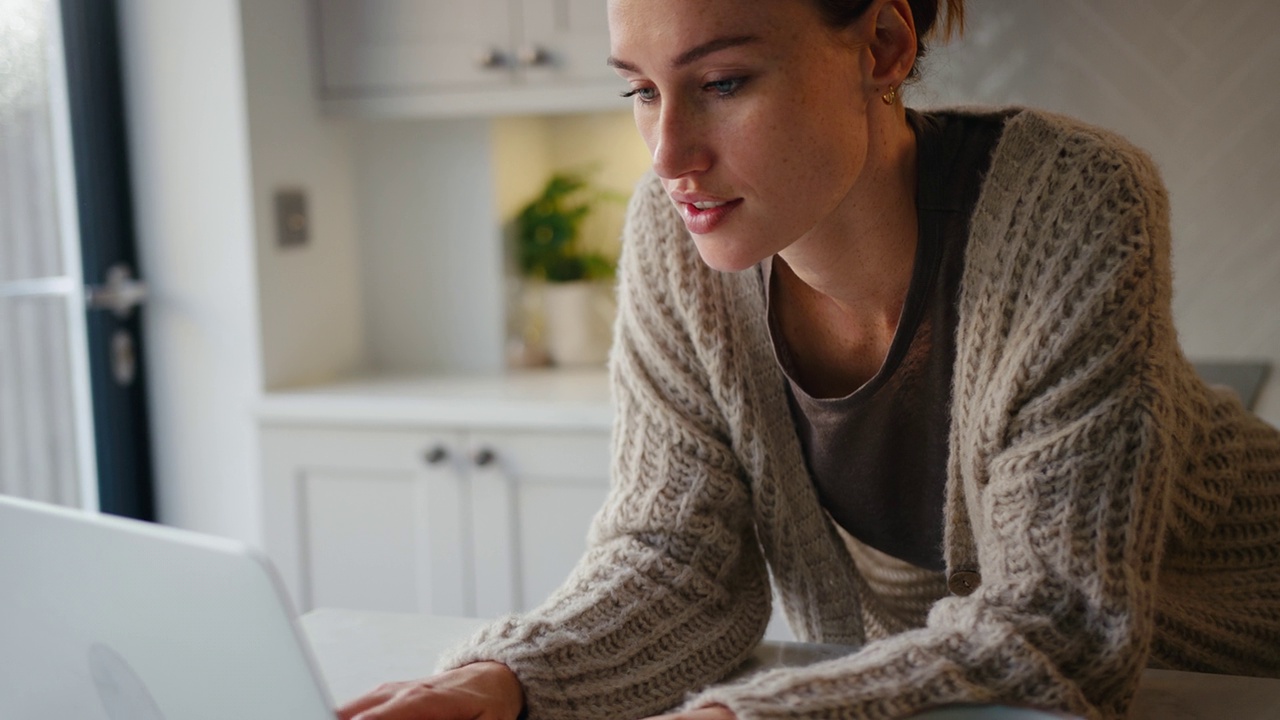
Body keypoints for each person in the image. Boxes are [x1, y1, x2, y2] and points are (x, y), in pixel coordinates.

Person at [337, 0, 1280, 718]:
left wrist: (746, 714)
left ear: (882, 47)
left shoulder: (1074, 202)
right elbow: (677, 558)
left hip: (1225, 675)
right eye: (639, 89)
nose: (669, 154)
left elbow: (1062, 618)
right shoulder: (675, 249)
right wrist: (505, 681)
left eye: (723, 83)